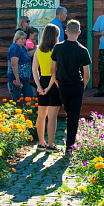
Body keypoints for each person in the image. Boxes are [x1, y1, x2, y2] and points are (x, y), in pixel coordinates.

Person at [51, 20, 91, 153]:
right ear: (79, 32)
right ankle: (70, 146)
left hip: (62, 84)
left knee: (68, 113)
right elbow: (87, 74)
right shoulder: (83, 50)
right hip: (76, 85)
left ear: (66, 32)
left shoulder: (58, 47)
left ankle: (69, 144)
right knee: (74, 116)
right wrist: (83, 86)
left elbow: (53, 70)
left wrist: (57, 83)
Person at [32, 23, 62, 152]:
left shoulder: (38, 49)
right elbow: (54, 71)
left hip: (42, 81)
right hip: (53, 84)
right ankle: (50, 144)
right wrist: (49, 87)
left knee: (41, 115)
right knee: (52, 116)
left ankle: (41, 143)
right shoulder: (57, 49)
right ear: (55, 36)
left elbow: (34, 70)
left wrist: (39, 86)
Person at [8, 30, 34, 103]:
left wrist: (36, 50)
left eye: (24, 39)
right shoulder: (14, 48)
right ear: (16, 39)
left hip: (24, 78)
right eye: (21, 39)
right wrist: (17, 79)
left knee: (29, 95)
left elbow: (27, 56)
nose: (23, 40)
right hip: (16, 78)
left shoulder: (22, 47)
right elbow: (14, 64)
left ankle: (27, 112)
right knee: (16, 98)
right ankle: (15, 113)